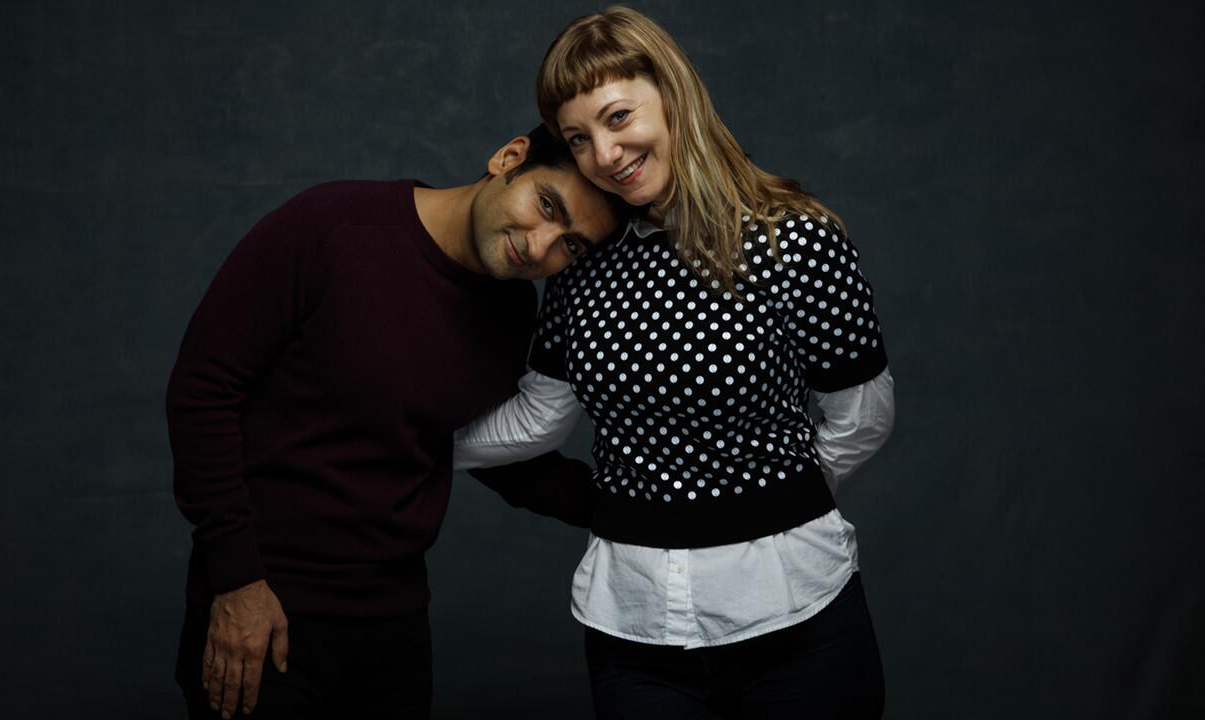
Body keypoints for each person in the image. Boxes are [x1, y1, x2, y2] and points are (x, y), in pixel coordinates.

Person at [457, 7, 895, 718]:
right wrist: (405, 442)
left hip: (799, 617)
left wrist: (759, 499)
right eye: (578, 137)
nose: (603, 153)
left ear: (673, 95)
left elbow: (863, 417)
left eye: (618, 116)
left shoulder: (798, 242)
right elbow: (540, 416)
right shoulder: (583, 266)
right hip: (634, 629)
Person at [166, 124, 620, 719]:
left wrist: (634, 505)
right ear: (510, 157)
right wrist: (235, 582)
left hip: (393, 623)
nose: (540, 248)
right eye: (546, 206)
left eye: (572, 246)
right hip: (264, 605)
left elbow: (470, 446)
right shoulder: (332, 226)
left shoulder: (509, 312)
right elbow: (203, 390)